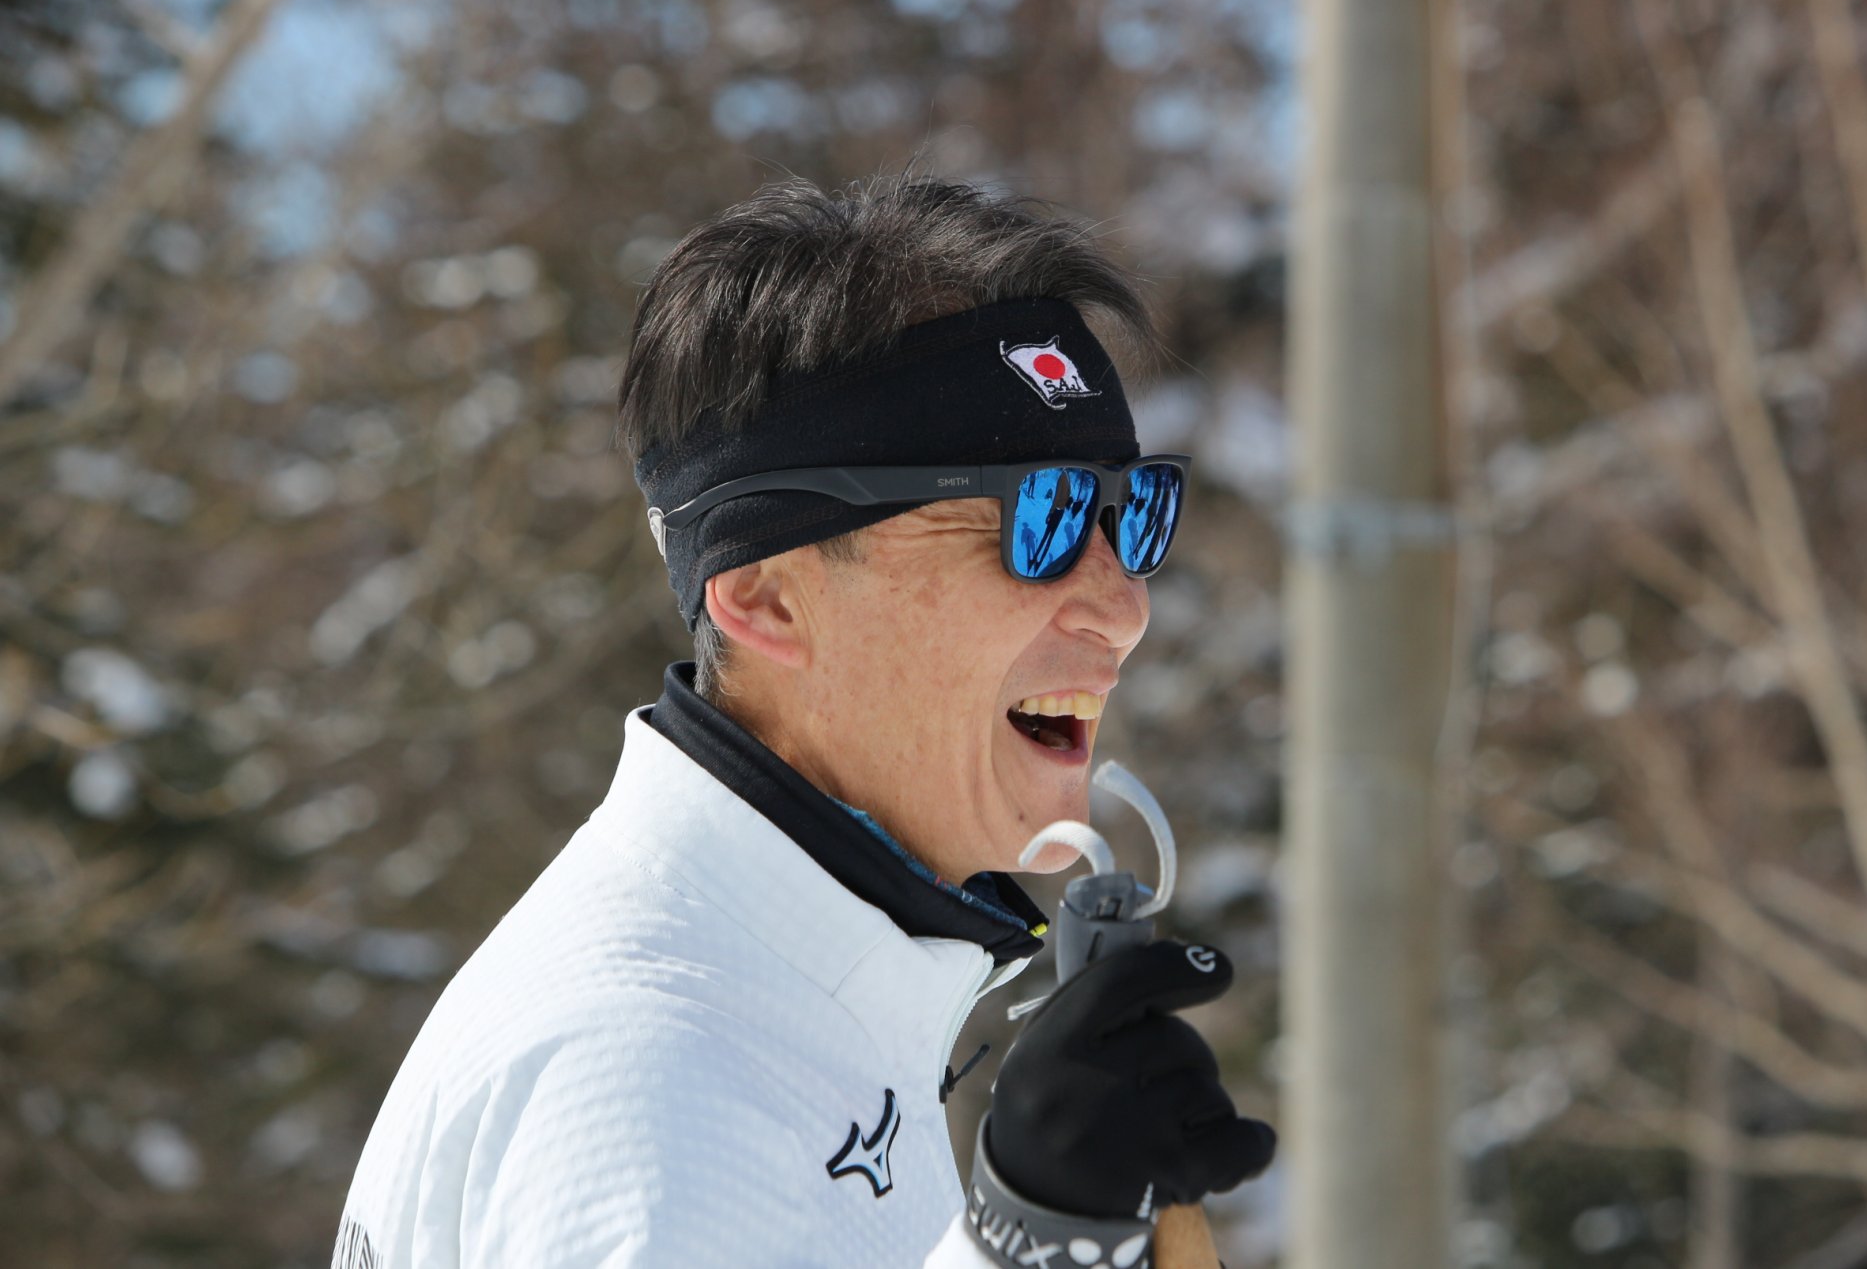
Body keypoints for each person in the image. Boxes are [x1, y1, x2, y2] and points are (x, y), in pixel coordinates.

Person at [332, 175, 1274, 1268]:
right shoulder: (650, 1073)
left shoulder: (774, 1005)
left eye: (1131, 512)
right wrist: (1027, 1242)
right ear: (768, 597)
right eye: (1045, 516)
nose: (1124, 605)